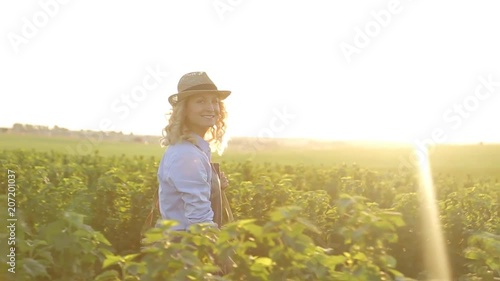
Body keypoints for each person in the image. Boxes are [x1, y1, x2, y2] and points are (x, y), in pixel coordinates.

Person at [157, 71, 233, 232]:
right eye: (200, 101)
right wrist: (228, 258)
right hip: (187, 252)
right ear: (184, 109)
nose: (211, 108)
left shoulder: (194, 149)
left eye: (214, 101)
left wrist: (215, 187)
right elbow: (201, 224)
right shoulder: (186, 155)